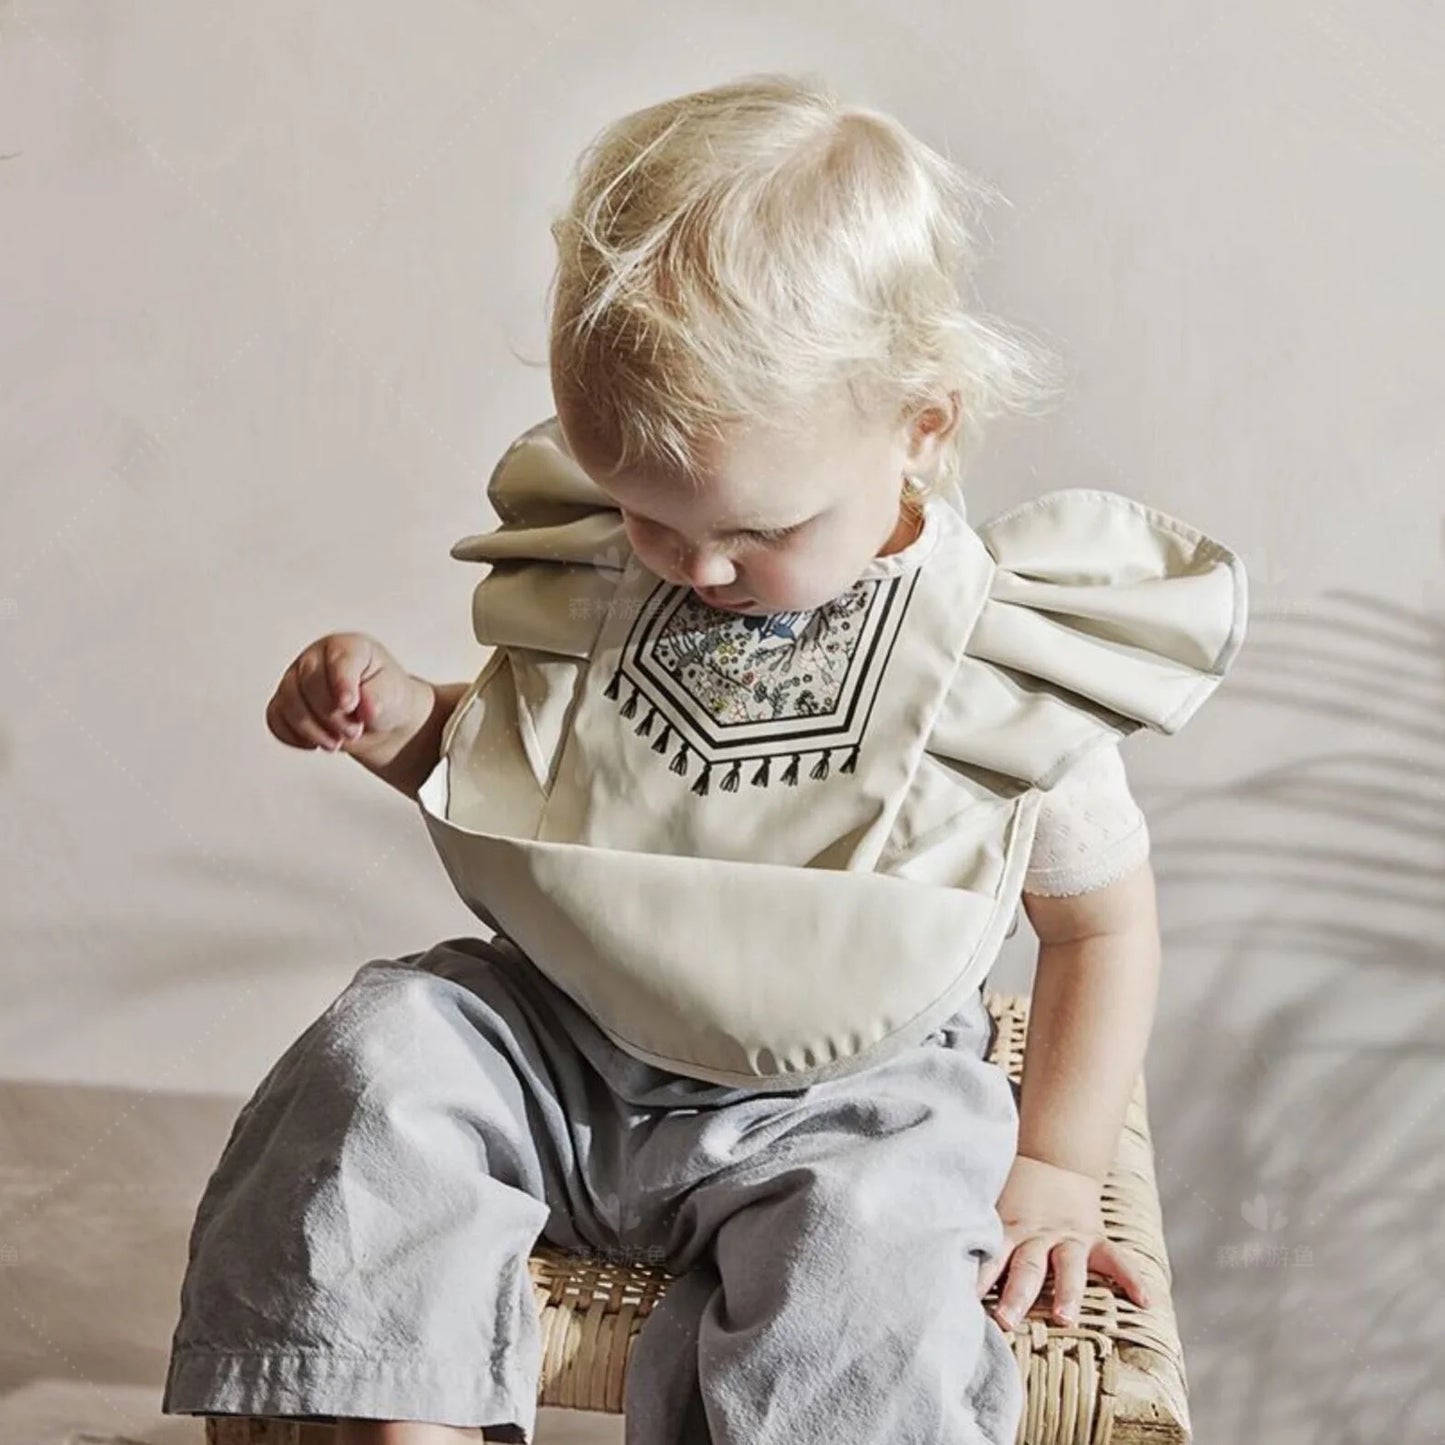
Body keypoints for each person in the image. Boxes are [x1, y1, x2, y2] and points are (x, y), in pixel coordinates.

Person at [160, 73, 1247, 1445]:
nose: (698, 568)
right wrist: (391, 721)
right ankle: (392, 1420)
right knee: (384, 1049)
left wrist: (1055, 1165)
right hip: (559, 1047)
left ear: (919, 424)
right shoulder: (611, 578)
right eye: (649, 518)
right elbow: (530, 760)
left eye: (756, 531)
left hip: (844, 1098)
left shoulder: (993, 662)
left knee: (882, 1246)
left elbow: (1100, 926)